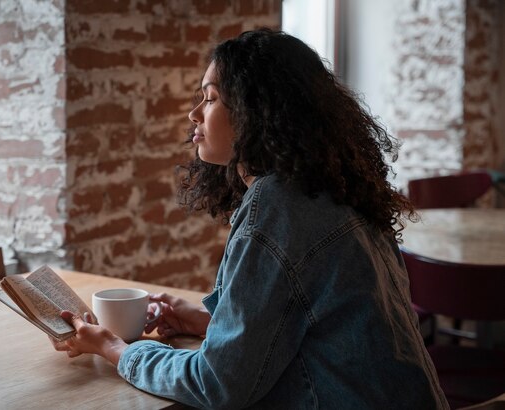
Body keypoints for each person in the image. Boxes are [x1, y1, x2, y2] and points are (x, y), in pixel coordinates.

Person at [51, 28, 448, 409]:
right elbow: (315, 330)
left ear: (255, 111)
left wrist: (116, 349)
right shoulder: (330, 188)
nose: (194, 114)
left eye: (210, 99)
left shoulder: (279, 207)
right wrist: (207, 321)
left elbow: (217, 385)